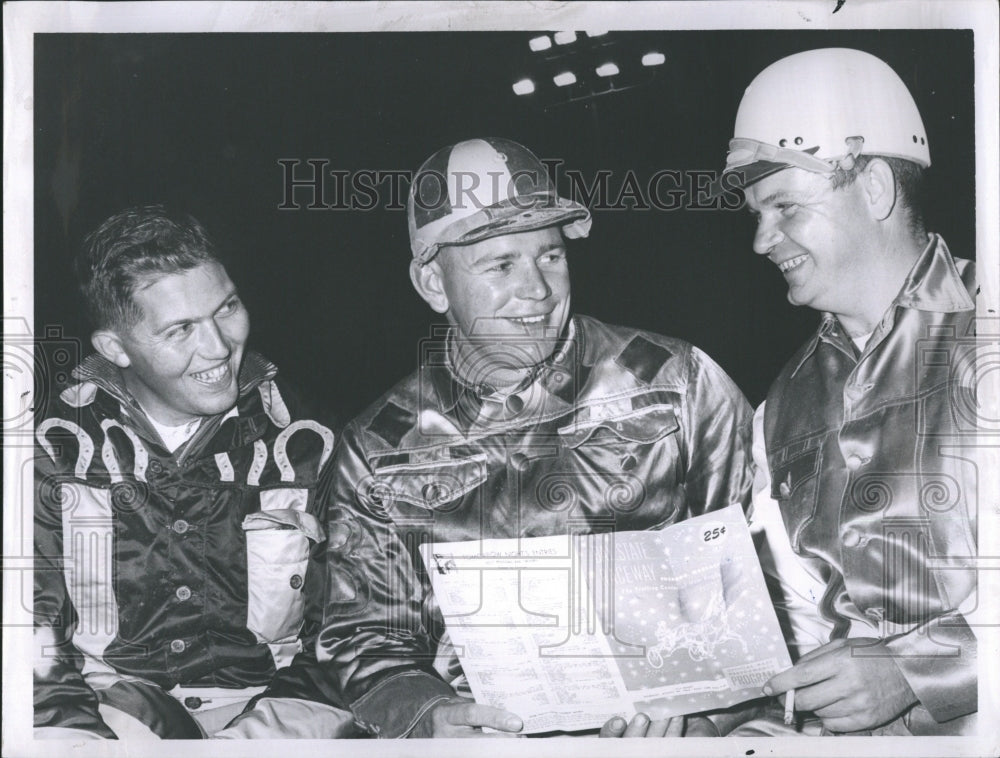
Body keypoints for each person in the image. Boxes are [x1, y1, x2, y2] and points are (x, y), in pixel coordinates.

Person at [315, 137, 755, 737]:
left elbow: (761, 575)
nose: (539, 290)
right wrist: (427, 715)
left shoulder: (678, 383)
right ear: (433, 284)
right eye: (500, 265)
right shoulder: (378, 449)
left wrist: (711, 716)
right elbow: (364, 631)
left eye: (549, 256)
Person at [608, 47, 980, 739]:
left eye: (784, 206)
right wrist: (713, 716)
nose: (760, 240)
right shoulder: (780, 407)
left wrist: (922, 669)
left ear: (873, 188)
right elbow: (798, 619)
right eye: (755, 212)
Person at [33, 206, 354, 739]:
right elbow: (29, 638)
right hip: (105, 711)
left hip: (277, 714)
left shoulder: (315, 443)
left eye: (226, 308)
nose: (220, 347)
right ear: (115, 348)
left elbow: (346, 636)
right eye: (181, 330)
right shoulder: (49, 449)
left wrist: (253, 739)